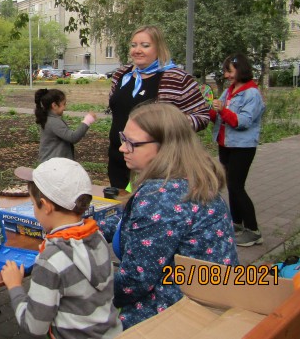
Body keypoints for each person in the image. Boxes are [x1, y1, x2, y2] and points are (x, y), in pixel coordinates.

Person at [100, 103, 238, 329]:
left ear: (165, 148)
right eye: (123, 138)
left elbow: (134, 282)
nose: (122, 148)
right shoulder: (188, 179)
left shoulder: (160, 198)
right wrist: (90, 228)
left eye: (131, 143)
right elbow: (132, 219)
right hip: (212, 299)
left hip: (177, 315)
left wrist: (84, 292)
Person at [1, 158, 122, 338]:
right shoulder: (97, 236)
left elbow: (35, 325)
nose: (33, 209)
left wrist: (15, 287)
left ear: (47, 207)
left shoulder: (51, 259)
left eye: (34, 204)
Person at [107, 25, 210, 191]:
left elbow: (202, 116)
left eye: (145, 45)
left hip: (158, 164)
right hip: (119, 158)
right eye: (134, 45)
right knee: (123, 207)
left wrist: (170, 126)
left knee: (150, 207)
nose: (137, 50)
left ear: (159, 48)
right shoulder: (121, 75)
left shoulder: (177, 78)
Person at [210, 53, 266, 247]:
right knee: (231, 185)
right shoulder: (230, 90)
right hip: (226, 144)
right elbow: (219, 117)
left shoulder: (252, 94)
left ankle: (253, 230)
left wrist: (222, 110)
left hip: (243, 146)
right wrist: (211, 109)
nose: (226, 75)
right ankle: (236, 224)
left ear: (240, 70)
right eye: (225, 72)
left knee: (236, 186)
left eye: (229, 71)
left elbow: (242, 122)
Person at [34, 88, 96, 163]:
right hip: (53, 166)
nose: (65, 108)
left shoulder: (48, 118)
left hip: (51, 163)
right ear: (54, 105)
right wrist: (87, 120)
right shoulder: (53, 122)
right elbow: (73, 137)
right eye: (64, 104)